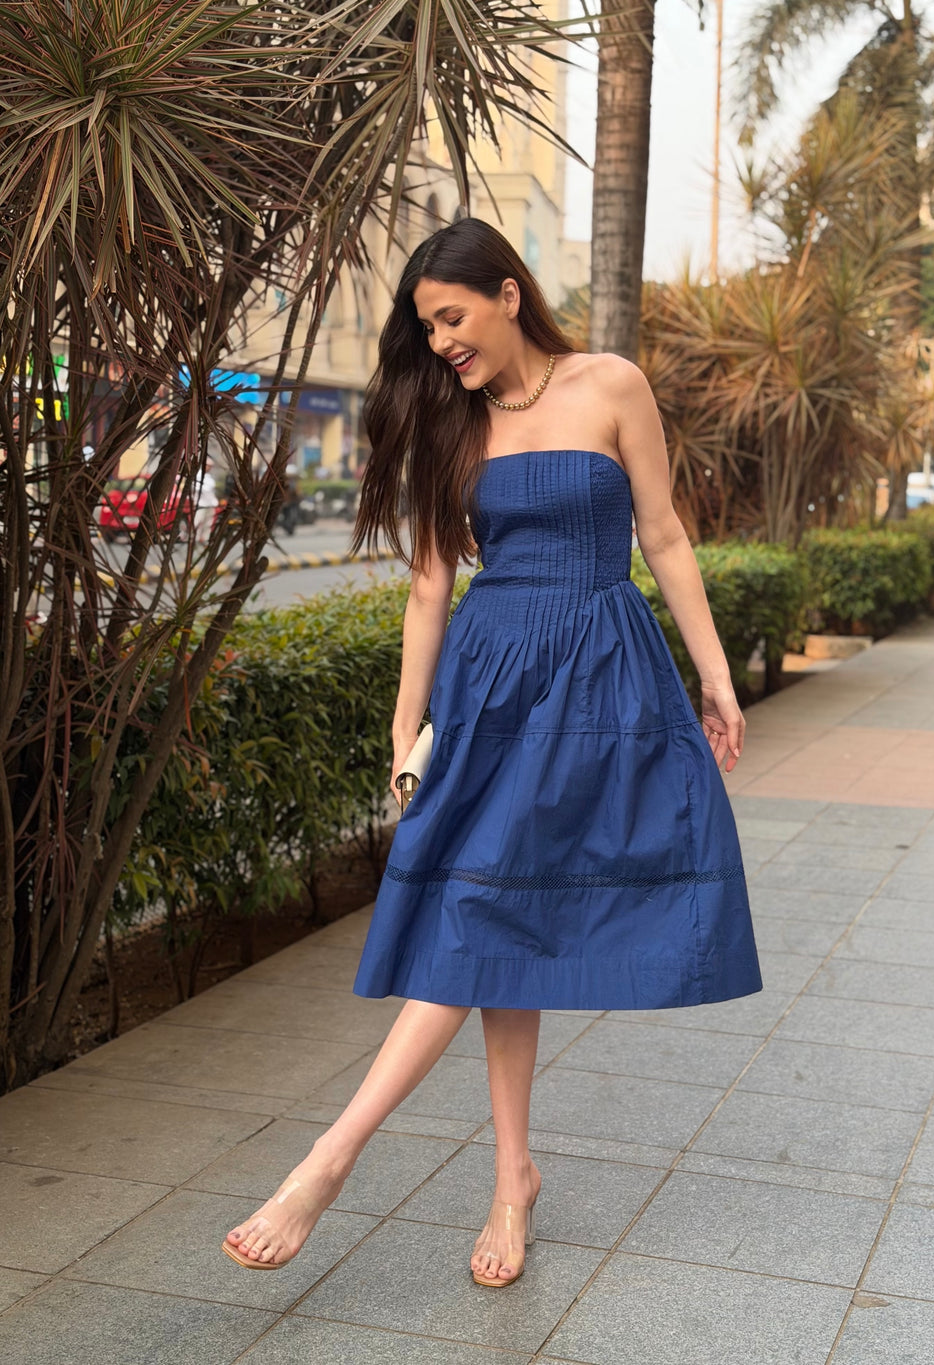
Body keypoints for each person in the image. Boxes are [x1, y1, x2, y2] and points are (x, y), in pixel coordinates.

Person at [221, 218, 761, 1286]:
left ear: (508, 294)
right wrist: (404, 719)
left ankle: (331, 1161)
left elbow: (662, 536)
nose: (440, 344)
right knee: (491, 915)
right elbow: (429, 585)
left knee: (489, 917)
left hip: (600, 680)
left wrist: (714, 673)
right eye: (425, 328)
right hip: (490, 684)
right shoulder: (447, 423)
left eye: (451, 317)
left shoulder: (610, 386)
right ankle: (511, 1176)